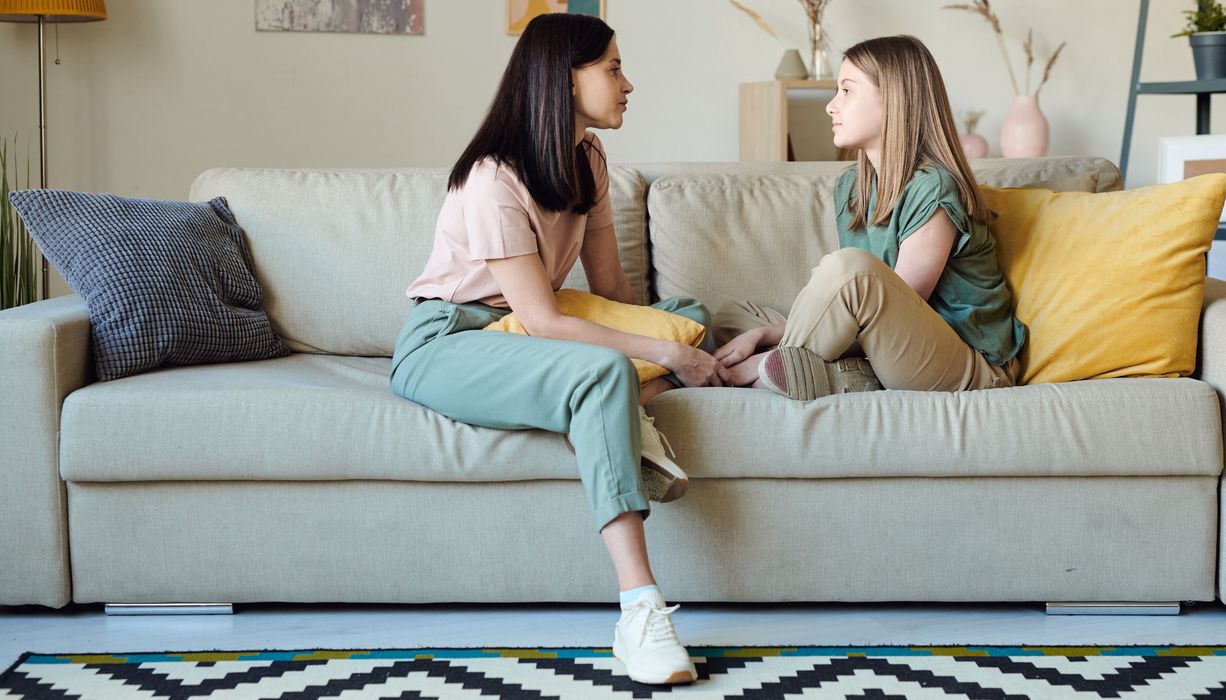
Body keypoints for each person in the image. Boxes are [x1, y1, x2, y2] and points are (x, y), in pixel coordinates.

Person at [389, 13, 725, 685]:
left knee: (687, 316)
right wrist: (676, 360)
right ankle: (640, 609)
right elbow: (540, 319)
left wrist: (677, 338)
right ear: (563, 80)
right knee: (605, 370)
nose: (628, 84)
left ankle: (624, 408)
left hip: (531, 328)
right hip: (454, 340)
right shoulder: (492, 178)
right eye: (612, 69)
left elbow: (612, 289)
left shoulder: (589, 159)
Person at [714, 35, 1027, 399]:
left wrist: (768, 350)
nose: (831, 106)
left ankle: (787, 364)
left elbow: (896, 307)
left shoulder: (935, 187)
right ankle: (838, 374)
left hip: (970, 363)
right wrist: (760, 333)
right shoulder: (853, 185)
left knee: (848, 269)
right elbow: (861, 315)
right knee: (732, 318)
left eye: (847, 91)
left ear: (895, 100)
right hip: (893, 349)